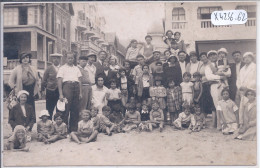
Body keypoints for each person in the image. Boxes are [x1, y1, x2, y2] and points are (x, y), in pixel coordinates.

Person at [57, 52, 82, 132]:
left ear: (74, 59)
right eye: (69, 58)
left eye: (72, 58)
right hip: (67, 87)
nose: (70, 59)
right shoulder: (62, 68)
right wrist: (61, 94)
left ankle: (73, 129)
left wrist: (80, 92)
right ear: (65, 59)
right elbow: (59, 81)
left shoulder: (76, 68)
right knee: (66, 108)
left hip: (76, 87)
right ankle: (64, 129)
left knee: (75, 109)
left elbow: (80, 81)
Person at [205, 50, 227, 129]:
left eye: (214, 55)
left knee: (224, 103)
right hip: (214, 85)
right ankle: (220, 125)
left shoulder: (221, 64)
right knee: (217, 104)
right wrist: (220, 77)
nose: (213, 57)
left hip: (223, 85)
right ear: (208, 58)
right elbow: (209, 77)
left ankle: (226, 123)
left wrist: (224, 76)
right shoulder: (208, 66)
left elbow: (227, 73)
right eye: (211, 55)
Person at [41, 53, 62, 120]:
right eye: (54, 58)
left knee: (60, 109)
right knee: (49, 109)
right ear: (52, 59)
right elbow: (44, 80)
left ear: (60, 59)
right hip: (50, 91)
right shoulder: (49, 69)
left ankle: (58, 125)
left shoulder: (63, 68)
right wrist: (43, 90)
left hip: (60, 91)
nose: (56, 60)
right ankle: (49, 124)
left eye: (58, 58)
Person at [236, 52, 256, 122]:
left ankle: (251, 125)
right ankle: (242, 124)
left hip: (252, 91)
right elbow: (238, 79)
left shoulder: (255, 67)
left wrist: (247, 87)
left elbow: (256, 80)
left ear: (252, 58)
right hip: (242, 91)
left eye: (248, 57)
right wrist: (240, 87)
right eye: (245, 58)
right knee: (242, 108)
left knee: (251, 108)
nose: (247, 59)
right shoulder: (242, 69)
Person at [198, 52, 215, 116]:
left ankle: (213, 113)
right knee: (204, 99)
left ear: (206, 57)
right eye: (201, 57)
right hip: (203, 83)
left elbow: (214, 72)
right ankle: (207, 113)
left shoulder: (211, 64)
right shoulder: (202, 65)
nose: (203, 58)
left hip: (209, 83)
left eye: (204, 56)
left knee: (210, 98)